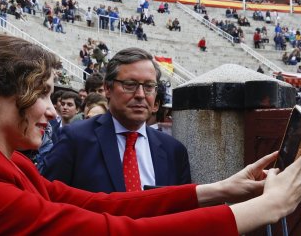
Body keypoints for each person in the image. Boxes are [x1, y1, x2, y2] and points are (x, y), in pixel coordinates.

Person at [0, 35, 301, 235]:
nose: (51, 108)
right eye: (42, 92)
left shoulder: (4, 163)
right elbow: (112, 230)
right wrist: (262, 209)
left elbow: (103, 205)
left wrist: (222, 189)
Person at [41, 48, 193, 193]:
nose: (141, 94)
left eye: (148, 86)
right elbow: (49, 201)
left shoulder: (174, 151)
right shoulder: (75, 140)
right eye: (130, 85)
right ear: (108, 88)